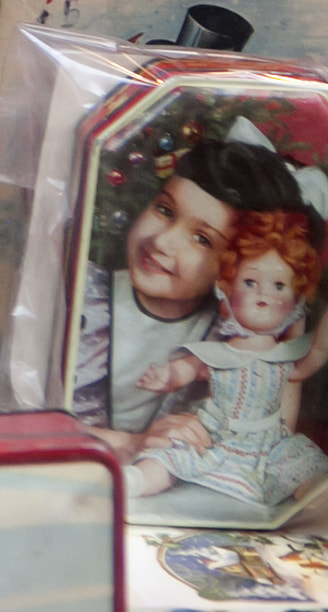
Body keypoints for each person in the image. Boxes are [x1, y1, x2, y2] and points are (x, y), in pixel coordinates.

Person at [72, 138, 309, 447]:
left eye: (202, 239)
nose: (163, 241)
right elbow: (27, 415)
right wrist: (132, 443)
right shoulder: (84, 293)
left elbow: (271, 440)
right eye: (165, 209)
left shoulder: (228, 338)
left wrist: (287, 321)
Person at [129, 209, 328, 508]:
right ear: (228, 288)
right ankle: (135, 480)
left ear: (294, 303)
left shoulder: (285, 359)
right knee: (172, 452)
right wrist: (167, 376)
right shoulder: (220, 353)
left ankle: (316, 503)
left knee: (302, 466)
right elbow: (188, 368)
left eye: (279, 285)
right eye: (250, 282)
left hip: (268, 444)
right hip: (213, 436)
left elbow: (316, 355)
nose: (263, 293)